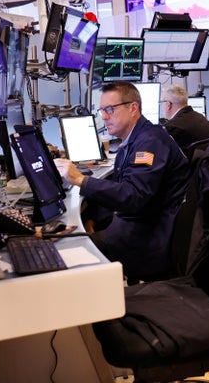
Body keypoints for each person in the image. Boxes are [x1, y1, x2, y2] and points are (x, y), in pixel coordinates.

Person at [55, 81, 190, 281]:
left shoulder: (150, 142)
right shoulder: (134, 141)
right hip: (141, 226)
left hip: (149, 238)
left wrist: (80, 179)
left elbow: (133, 196)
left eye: (110, 109)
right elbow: (121, 188)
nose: (104, 116)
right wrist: (95, 219)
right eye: (102, 110)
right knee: (77, 237)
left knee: (69, 250)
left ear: (133, 108)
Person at [161, 84, 209, 155]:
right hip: (206, 164)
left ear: (168, 105)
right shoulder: (201, 118)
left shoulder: (171, 128)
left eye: (161, 103)